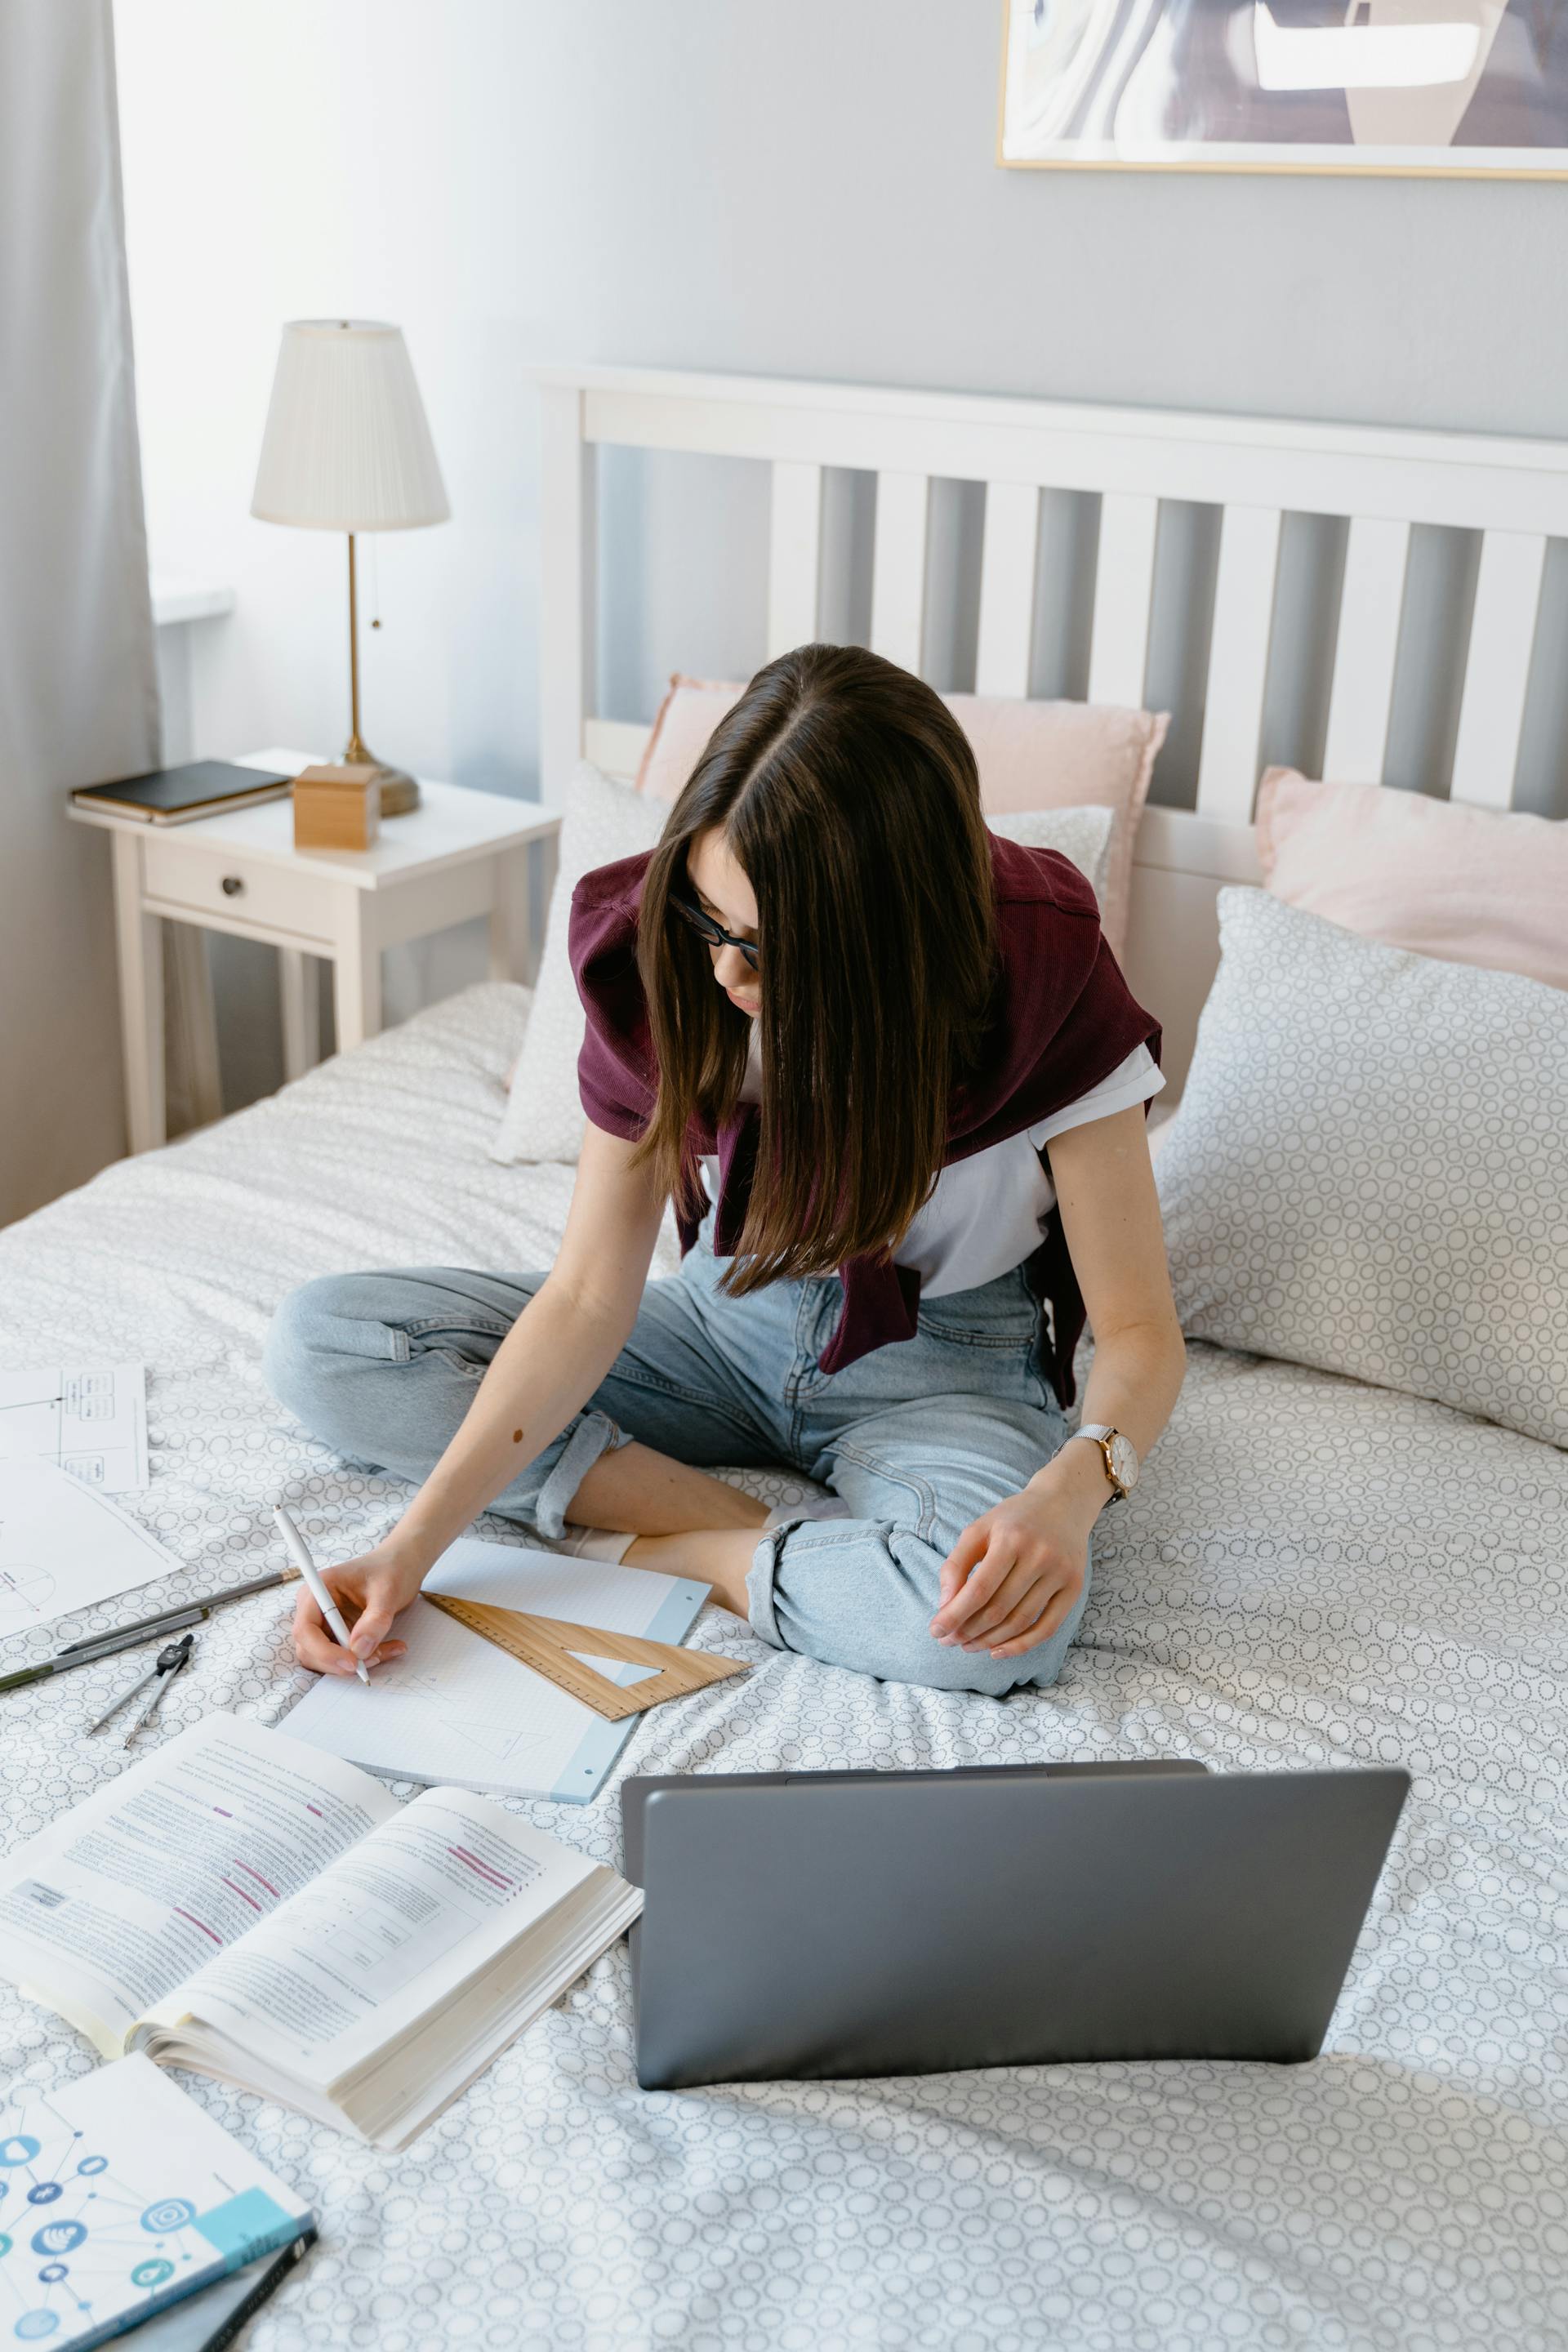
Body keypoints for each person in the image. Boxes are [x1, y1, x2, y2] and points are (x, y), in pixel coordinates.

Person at [265, 645, 1187, 1697]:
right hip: (719, 1322)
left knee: (977, 1630)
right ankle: (735, 1526)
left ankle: (695, 1552)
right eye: (712, 923)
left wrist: (1073, 1489)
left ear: (894, 941)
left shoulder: (1043, 974)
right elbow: (584, 1293)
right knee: (324, 1343)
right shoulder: (656, 952)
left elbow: (1143, 1331)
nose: (724, 972)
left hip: (946, 1374)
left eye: (771, 947)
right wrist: (411, 1547)